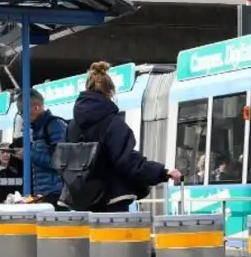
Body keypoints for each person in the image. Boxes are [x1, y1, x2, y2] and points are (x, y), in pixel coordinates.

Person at [62, 61, 180, 213]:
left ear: (87, 88)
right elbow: (128, 162)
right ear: (110, 93)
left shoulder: (71, 127)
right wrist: (162, 172)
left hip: (79, 204)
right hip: (111, 202)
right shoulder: (114, 125)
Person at [26, 89, 67, 206]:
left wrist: (29, 155)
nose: (22, 116)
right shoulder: (37, 129)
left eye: (23, 111)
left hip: (56, 195)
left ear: (37, 107)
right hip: (44, 194)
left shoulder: (55, 126)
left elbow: (61, 162)